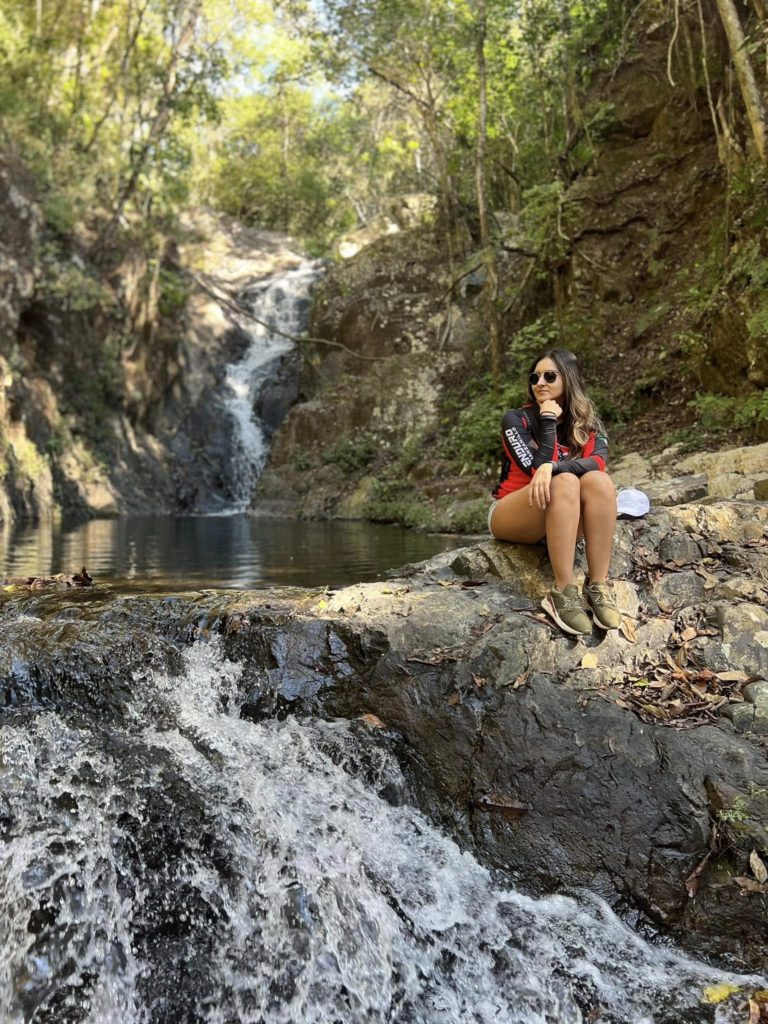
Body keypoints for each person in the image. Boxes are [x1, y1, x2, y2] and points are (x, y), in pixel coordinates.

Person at [488, 348, 621, 636]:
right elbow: (535, 470)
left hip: (565, 515)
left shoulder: (588, 423)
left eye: (549, 376)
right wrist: (548, 421)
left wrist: (556, 467)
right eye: (535, 377)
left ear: (568, 379)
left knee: (600, 481)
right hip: (515, 514)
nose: (540, 382)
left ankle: (597, 584)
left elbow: (598, 462)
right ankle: (562, 591)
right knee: (565, 481)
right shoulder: (517, 420)